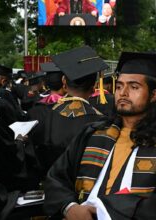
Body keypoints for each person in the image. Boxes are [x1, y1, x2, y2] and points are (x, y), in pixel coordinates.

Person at [44, 52, 156, 220]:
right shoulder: (93, 133)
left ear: (154, 95)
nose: (123, 93)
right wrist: (70, 207)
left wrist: (105, 210)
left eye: (134, 87)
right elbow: (56, 178)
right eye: (119, 86)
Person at [28, 46, 107, 177]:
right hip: (86, 189)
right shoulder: (101, 122)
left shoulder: (42, 115)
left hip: (49, 186)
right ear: (94, 88)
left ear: (64, 82)